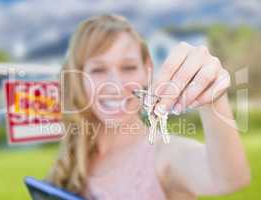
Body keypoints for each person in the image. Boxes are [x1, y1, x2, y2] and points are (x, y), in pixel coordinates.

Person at [46, 14, 250, 200]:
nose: (116, 86)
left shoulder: (165, 155)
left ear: (147, 70)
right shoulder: (77, 149)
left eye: (128, 67)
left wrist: (213, 95)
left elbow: (229, 178)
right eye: (98, 69)